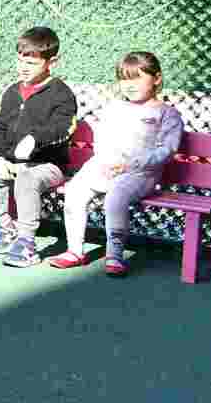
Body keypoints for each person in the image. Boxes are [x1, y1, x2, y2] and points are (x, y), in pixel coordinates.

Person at [57, 51, 183, 275]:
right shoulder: (114, 107)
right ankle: (75, 250)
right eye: (124, 79)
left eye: (137, 78)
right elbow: (101, 137)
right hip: (105, 166)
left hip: (141, 174)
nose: (129, 85)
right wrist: (105, 161)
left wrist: (130, 165)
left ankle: (114, 255)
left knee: (116, 197)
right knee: (75, 191)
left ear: (157, 78)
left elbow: (166, 150)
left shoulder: (167, 114)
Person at [0, 26, 78, 269]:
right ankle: (8, 228)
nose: (23, 67)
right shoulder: (12, 91)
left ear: (53, 62)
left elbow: (64, 128)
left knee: (27, 180)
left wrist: (34, 139)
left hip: (47, 165)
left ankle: (27, 242)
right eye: (20, 60)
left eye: (31, 62)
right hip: (12, 163)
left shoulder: (62, 94)